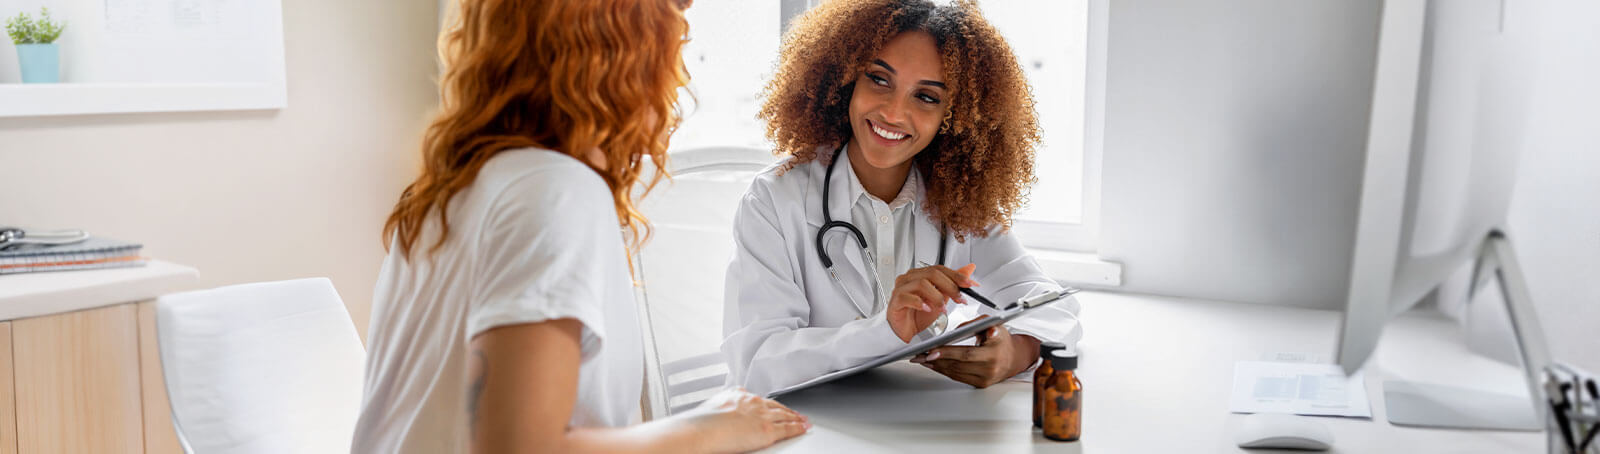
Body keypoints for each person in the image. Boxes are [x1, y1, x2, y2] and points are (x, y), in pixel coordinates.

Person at [352, 0, 808, 452]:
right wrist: (714, 429)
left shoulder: (449, 192)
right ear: (622, 49)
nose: (679, 75)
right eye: (674, 37)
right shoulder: (554, 190)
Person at [721, 0, 1083, 396]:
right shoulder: (774, 199)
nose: (894, 113)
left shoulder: (960, 202)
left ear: (954, 116)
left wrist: (1016, 351)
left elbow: (1049, 301)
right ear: (845, 81)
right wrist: (886, 330)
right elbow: (757, 363)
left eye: (926, 97)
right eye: (879, 79)